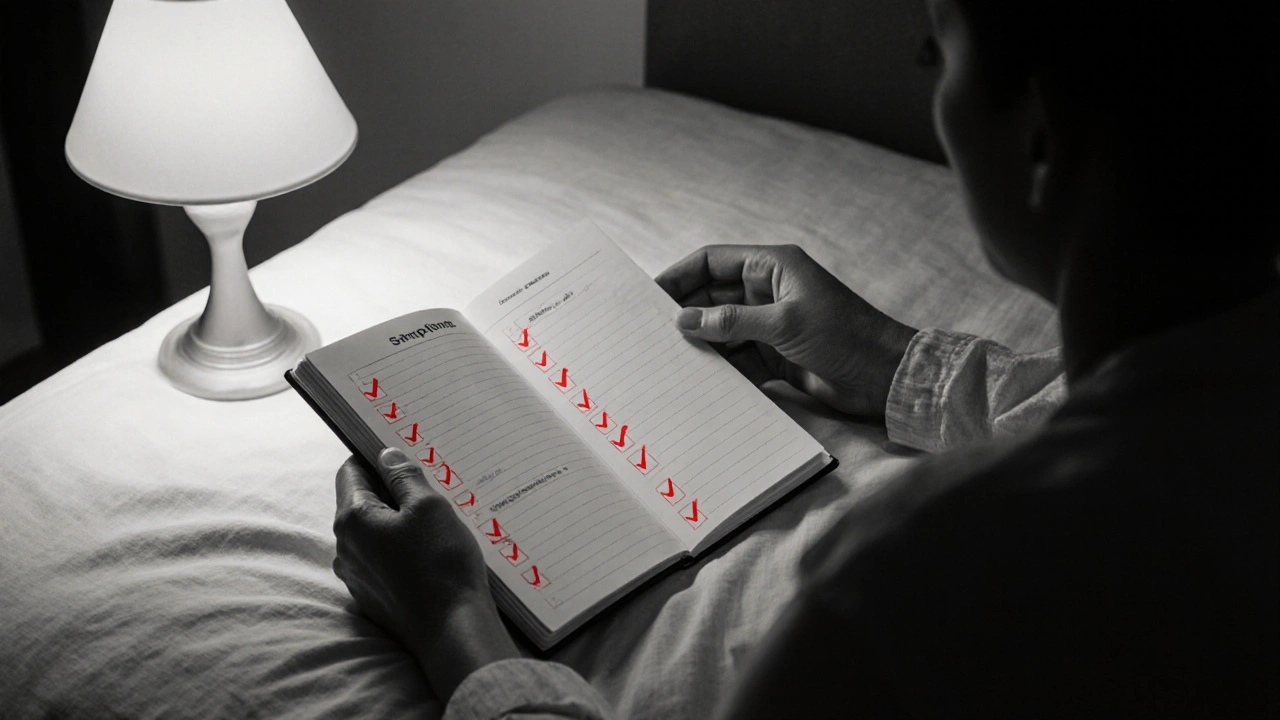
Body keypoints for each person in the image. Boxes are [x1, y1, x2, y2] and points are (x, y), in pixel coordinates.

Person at [330, 0, 1279, 716]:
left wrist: (456, 627)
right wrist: (894, 358)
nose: (931, 85)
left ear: (1039, 142)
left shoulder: (925, 572)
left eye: (934, 52)